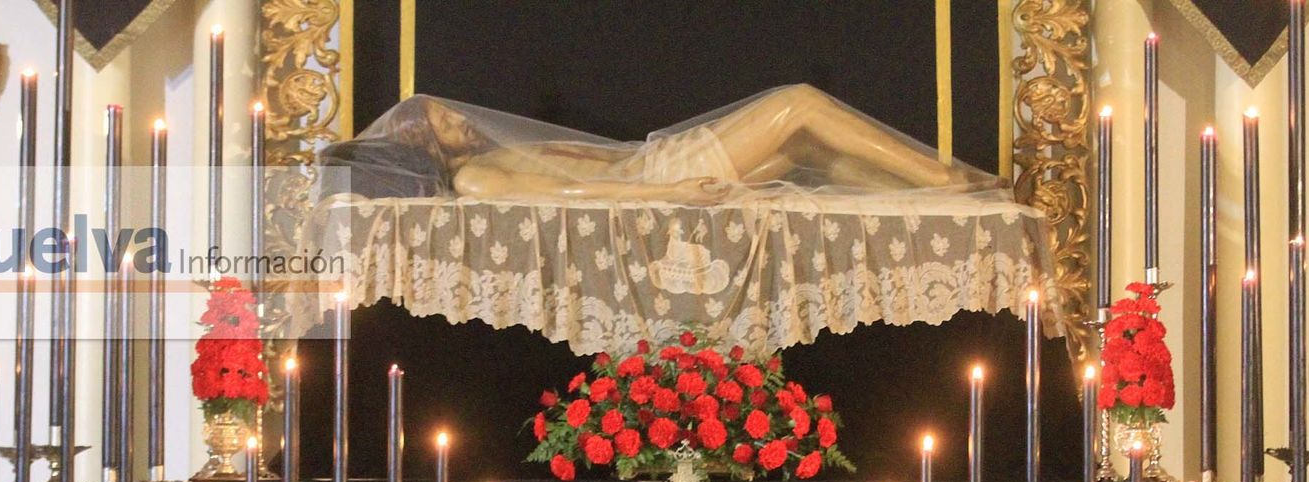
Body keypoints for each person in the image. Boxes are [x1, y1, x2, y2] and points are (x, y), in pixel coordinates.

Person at [324, 85, 1006, 205]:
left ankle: (952, 193)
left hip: (657, 158)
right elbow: (584, 196)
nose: (463, 122)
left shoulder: (487, 159)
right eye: (445, 125)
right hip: (665, 171)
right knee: (798, 103)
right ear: (424, 149)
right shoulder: (478, 181)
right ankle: (946, 182)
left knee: (810, 154)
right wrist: (675, 189)